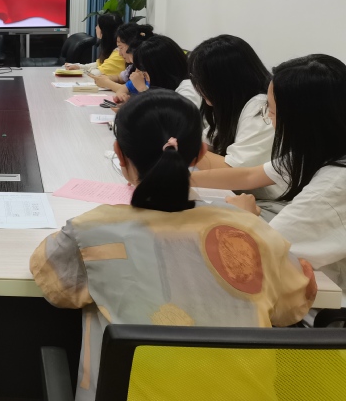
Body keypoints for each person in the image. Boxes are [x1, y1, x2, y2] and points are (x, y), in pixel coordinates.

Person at [31, 90, 316, 401]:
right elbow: (292, 306)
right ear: (200, 154)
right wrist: (243, 221)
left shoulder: (90, 231)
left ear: (119, 154)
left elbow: (56, 284)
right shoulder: (250, 230)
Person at [191, 54, 346, 286]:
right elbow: (249, 175)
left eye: (271, 112)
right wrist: (183, 179)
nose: (268, 119)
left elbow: (257, 256)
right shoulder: (322, 150)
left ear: (300, 121)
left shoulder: (332, 186)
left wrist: (244, 216)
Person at [188, 35, 281, 197]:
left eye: (200, 79)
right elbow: (207, 144)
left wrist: (184, 149)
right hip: (245, 194)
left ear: (222, 82)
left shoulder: (260, 107)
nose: (197, 86)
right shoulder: (232, 106)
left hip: (270, 201)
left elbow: (234, 172)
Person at [128, 35, 201, 106]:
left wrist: (143, 90)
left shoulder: (188, 88)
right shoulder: (168, 86)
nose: (142, 76)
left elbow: (171, 113)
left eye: (144, 72)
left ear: (159, 70)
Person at [89, 22, 155, 97]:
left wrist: (107, 83)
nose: (120, 54)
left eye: (121, 48)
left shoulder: (148, 70)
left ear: (132, 46)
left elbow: (133, 92)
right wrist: (107, 78)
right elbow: (121, 79)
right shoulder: (134, 67)